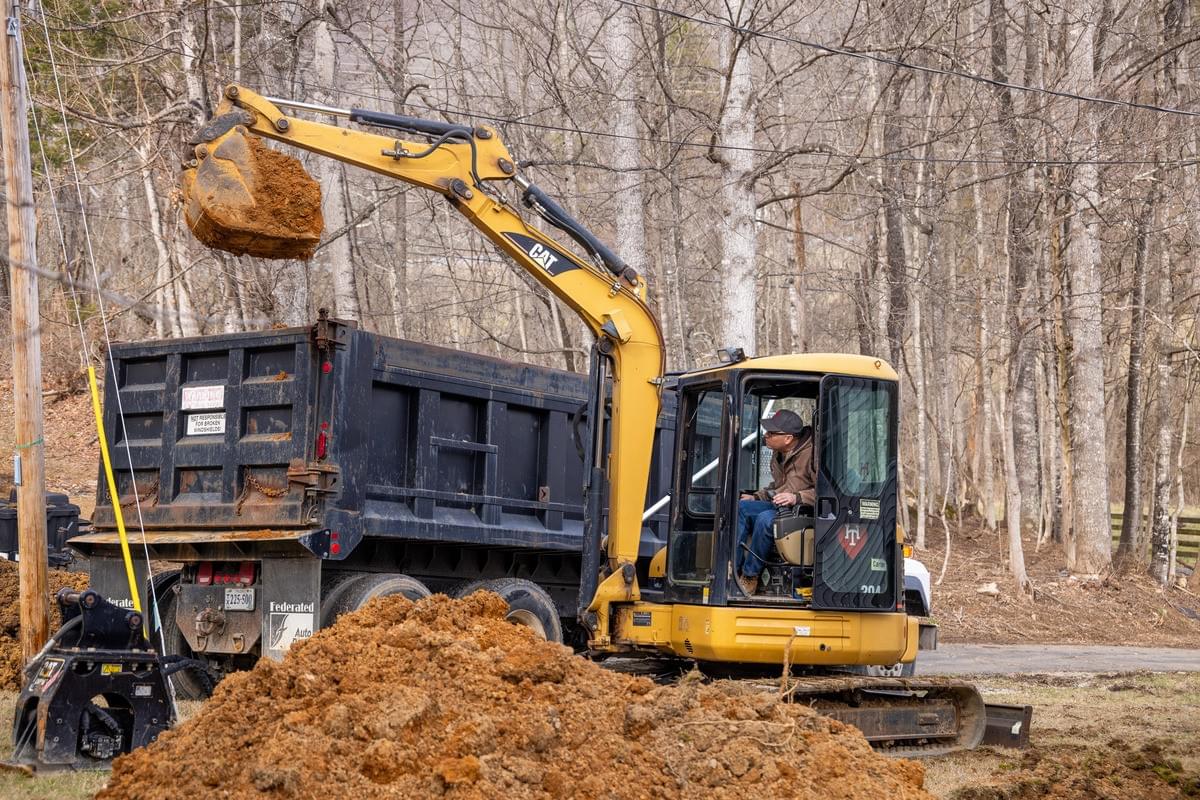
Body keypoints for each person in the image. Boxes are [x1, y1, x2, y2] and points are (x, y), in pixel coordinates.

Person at [736, 409, 816, 595]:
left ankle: (750, 575)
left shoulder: (813, 455)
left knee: (765, 518)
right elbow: (778, 486)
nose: (766, 436)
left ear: (788, 438)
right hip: (781, 507)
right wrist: (756, 497)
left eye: (771, 433)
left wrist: (796, 497)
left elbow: (827, 491)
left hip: (802, 511)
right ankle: (733, 569)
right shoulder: (779, 453)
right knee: (742, 508)